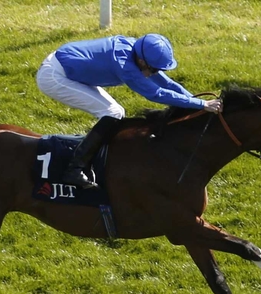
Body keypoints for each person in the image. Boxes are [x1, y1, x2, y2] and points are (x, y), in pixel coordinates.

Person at [36, 33, 223, 189]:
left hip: (68, 66)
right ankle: (74, 169)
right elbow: (156, 93)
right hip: (55, 76)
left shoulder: (138, 52)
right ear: (142, 60)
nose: (154, 73)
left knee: (115, 111)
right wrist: (201, 105)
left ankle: (91, 159)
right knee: (113, 112)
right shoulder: (125, 65)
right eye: (153, 69)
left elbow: (166, 83)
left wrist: (197, 102)